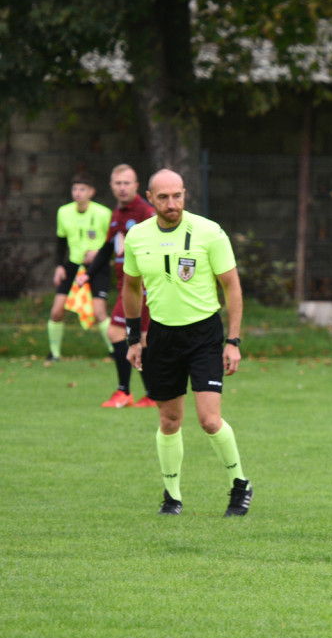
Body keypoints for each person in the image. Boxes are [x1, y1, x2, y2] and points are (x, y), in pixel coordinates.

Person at [122, 169, 252, 517]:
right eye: (163, 197)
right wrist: (135, 337)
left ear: (185, 194)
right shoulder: (137, 237)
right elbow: (132, 287)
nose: (171, 204)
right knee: (169, 420)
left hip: (204, 335)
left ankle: (240, 485)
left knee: (209, 420)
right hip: (161, 336)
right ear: (150, 198)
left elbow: (232, 287)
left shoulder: (209, 232)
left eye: (177, 196)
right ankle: (172, 496)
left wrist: (233, 341)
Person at [80, 164, 156, 408]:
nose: (122, 188)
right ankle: (152, 393)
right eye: (118, 183)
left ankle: (124, 392)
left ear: (136, 186)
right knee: (142, 339)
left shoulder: (145, 212)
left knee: (117, 332)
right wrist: (87, 275)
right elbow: (106, 249)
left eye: (127, 183)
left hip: (139, 286)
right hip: (127, 285)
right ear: (111, 186)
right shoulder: (117, 213)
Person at [46, 172, 113, 361]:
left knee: (100, 312)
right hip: (73, 265)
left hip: (98, 266)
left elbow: (112, 244)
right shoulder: (64, 212)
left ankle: (115, 351)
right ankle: (54, 354)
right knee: (57, 311)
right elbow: (60, 242)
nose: (77, 193)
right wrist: (59, 266)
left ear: (91, 192)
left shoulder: (103, 214)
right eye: (74, 189)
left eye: (82, 189)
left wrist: (97, 253)